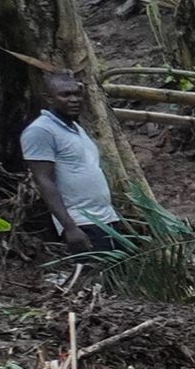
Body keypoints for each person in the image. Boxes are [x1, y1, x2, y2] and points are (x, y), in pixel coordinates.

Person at [22, 74, 124, 253]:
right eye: (66, 95)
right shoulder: (41, 130)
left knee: (118, 276)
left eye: (77, 94)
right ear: (49, 98)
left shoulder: (77, 129)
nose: (74, 99)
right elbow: (44, 180)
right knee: (94, 277)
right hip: (81, 221)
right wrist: (69, 227)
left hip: (106, 218)